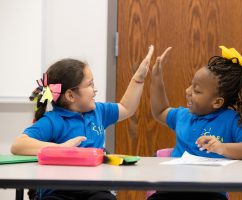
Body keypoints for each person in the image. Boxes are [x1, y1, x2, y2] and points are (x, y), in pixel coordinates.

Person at [10, 45, 154, 200]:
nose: (95, 89)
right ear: (71, 95)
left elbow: (126, 108)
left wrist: (138, 78)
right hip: (59, 191)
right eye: (90, 84)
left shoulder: (98, 112)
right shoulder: (53, 121)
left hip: (95, 189)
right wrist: (60, 148)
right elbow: (18, 145)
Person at [148, 46, 242, 200]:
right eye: (191, 85)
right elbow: (160, 111)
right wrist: (156, 76)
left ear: (217, 102)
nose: (187, 91)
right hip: (171, 189)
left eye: (196, 91)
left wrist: (222, 147)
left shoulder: (231, 120)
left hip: (211, 192)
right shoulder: (183, 115)